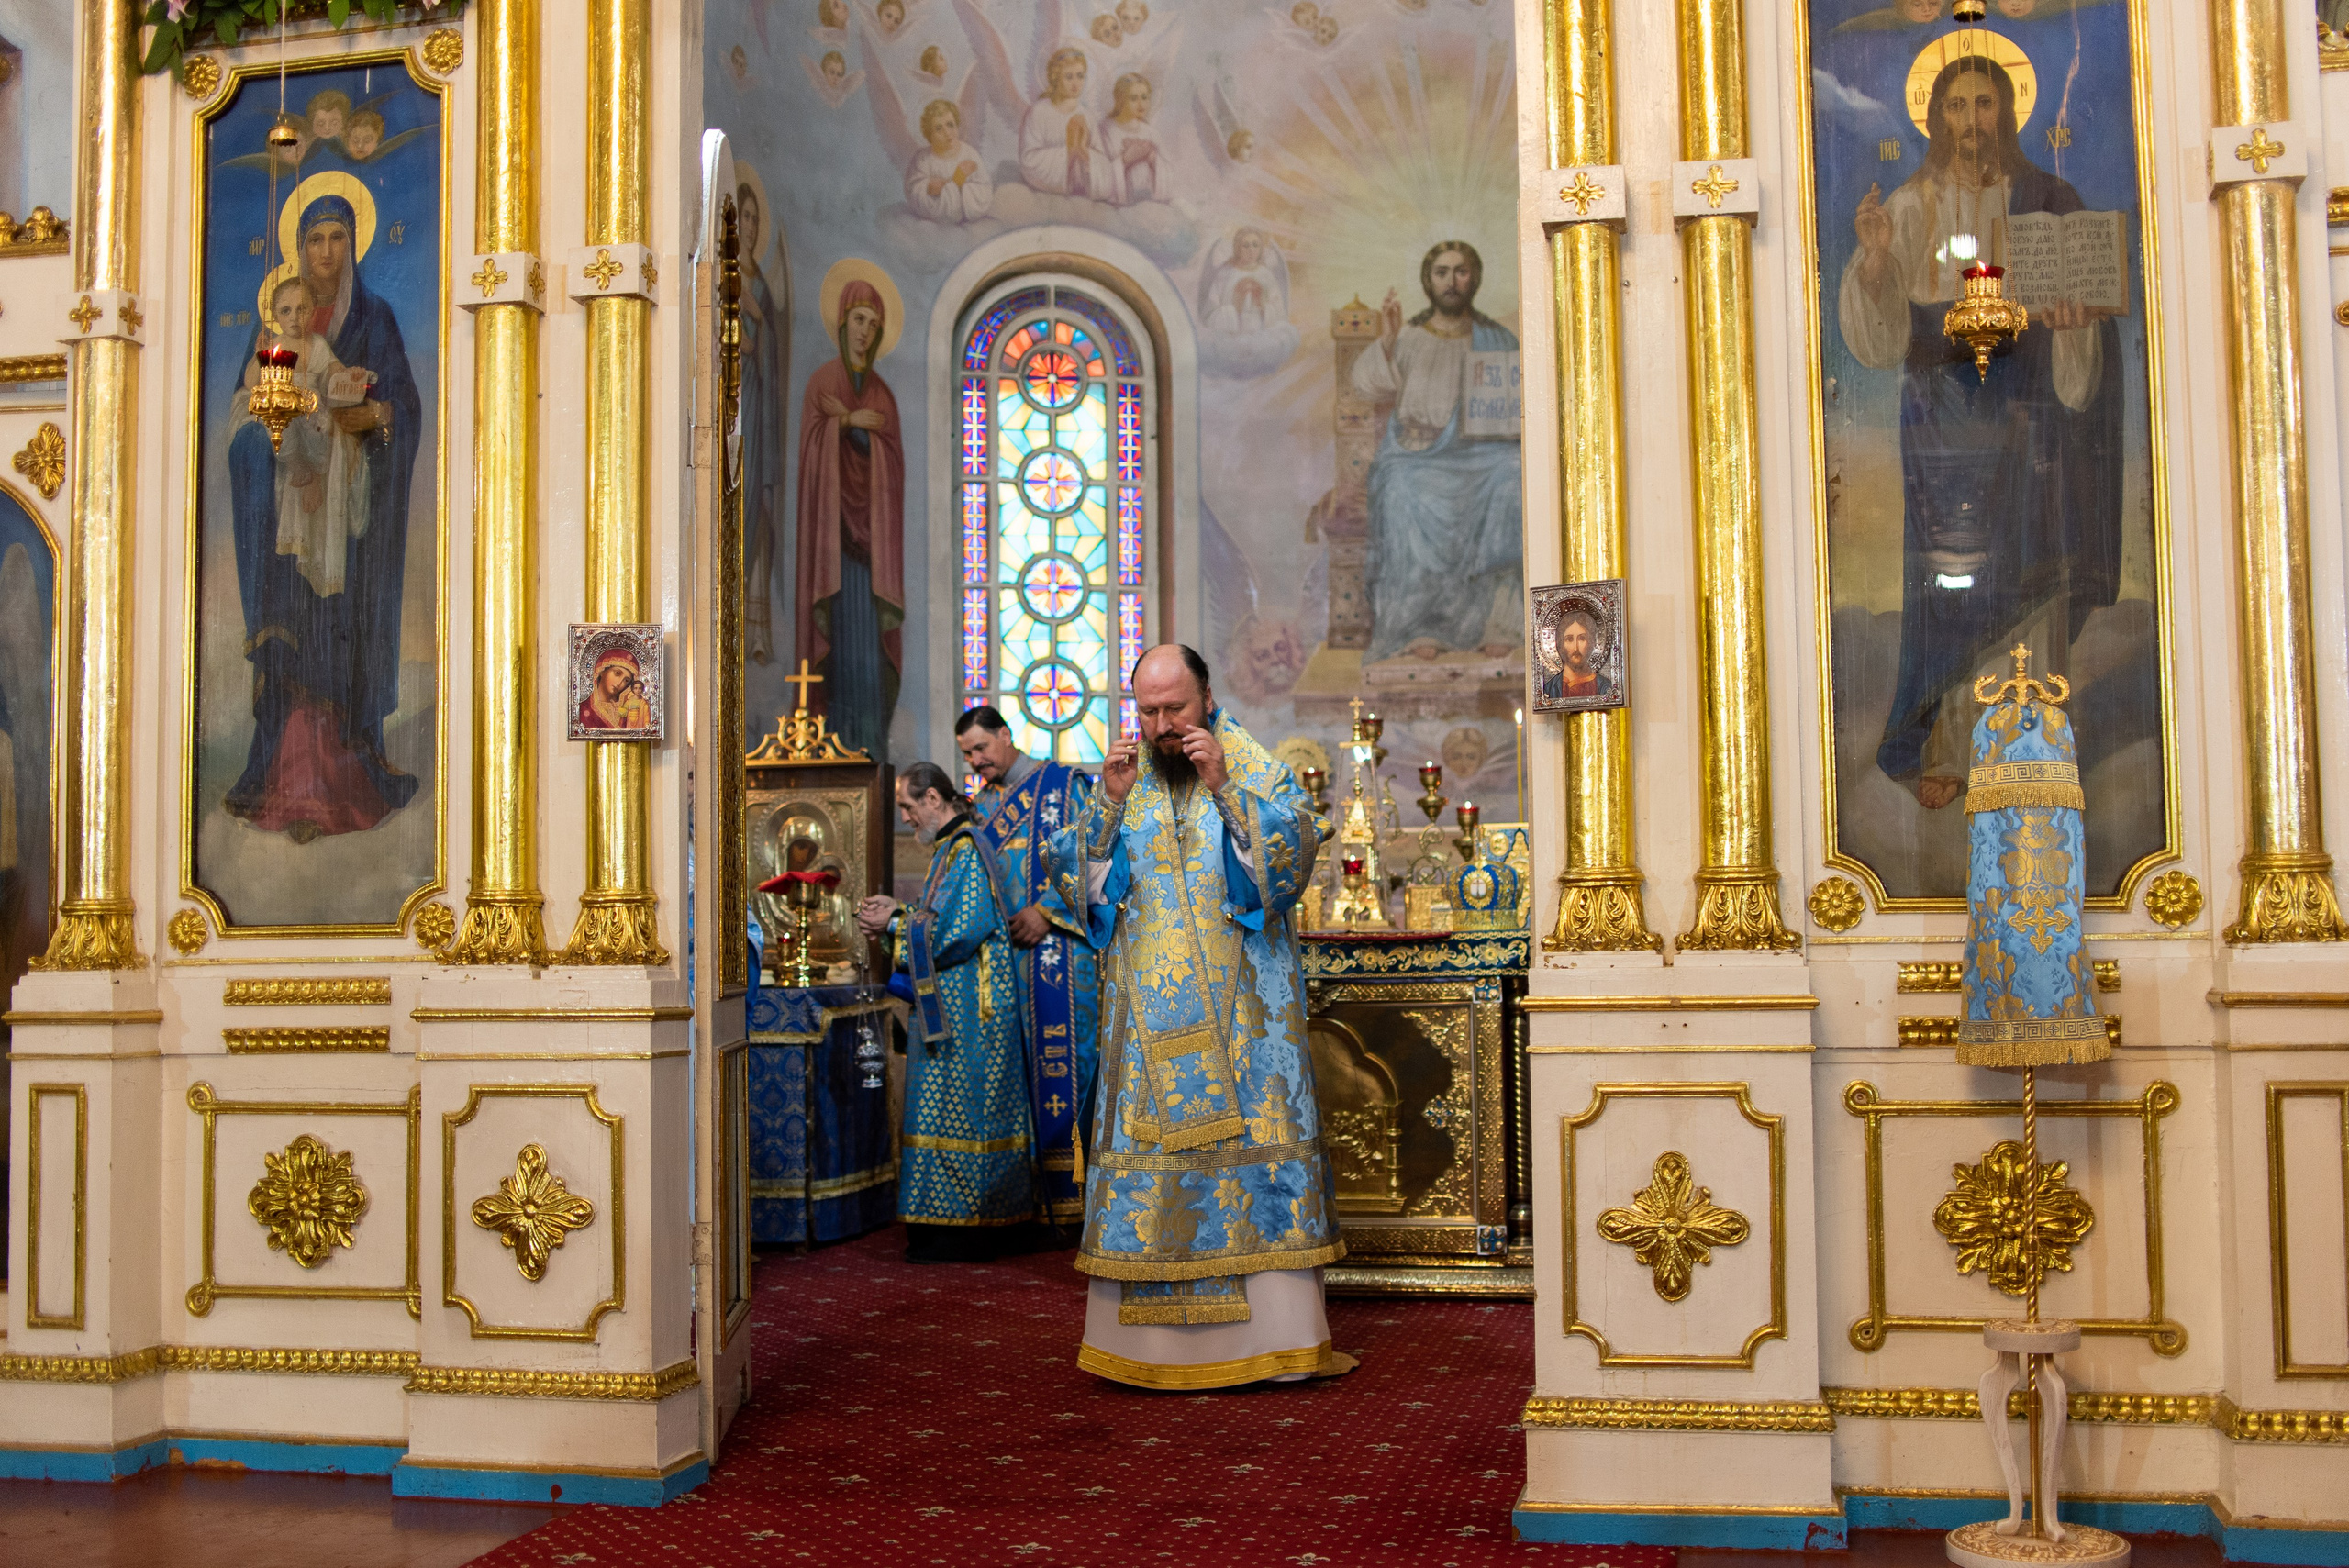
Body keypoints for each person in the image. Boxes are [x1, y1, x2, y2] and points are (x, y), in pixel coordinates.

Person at [1047, 645, 1353, 1388]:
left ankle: (1274, 1344)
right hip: (1147, 1034)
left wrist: (1224, 787)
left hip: (1245, 1030)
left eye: (1173, 709)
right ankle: (1148, 1351)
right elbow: (1075, 886)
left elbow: (1289, 862)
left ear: (1207, 698)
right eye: (1146, 711)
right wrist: (1109, 805)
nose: (1159, 726)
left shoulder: (1257, 768)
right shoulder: (1123, 781)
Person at [1837, 55, 2120, 809]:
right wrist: (1872, 265)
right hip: (1942, 423)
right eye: (1957, 106)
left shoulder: (2047, 200)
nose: (1971, 123)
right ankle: (1947, 743)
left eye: (1985, 105)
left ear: (2010, 113)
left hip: (2028, 416)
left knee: (2032, 562)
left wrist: (2072, 327)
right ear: (1935, 116)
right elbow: (1878, 339)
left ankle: (2035, 737)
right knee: (1953, 584)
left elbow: (2083, 328)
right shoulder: (1908, 205)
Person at [225, 190, 423, 842]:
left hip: (350, 521)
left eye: (337, 238)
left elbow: (400, 407)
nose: (327, 252)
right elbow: (247, 412)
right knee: (293, 642)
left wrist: (376, 417)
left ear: (353, 245)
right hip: (288, 519)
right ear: (299, 249)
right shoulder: (274, 336)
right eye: (315, 240)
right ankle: (284, 782)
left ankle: (344, 776)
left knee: (341, 635)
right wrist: (283, 450)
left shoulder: (375, 318)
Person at [857, 762, 1038, 1262]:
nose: (908, 818)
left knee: (968, 1112)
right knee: (942, 1108)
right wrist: (896, 917)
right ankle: (940, 1223)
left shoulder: (966, 849)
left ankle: (973, 1225)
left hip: (975, 1014)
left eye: (910, 807)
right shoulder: (951, 848)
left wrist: (895, 919)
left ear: (934, 799)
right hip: (954, 1008)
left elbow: (958, 931)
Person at [957, 706, 1099, 1228]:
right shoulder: (982, 808)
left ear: (1006, 735)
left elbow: (1095, 851)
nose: (976, 761)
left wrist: (1046, 911)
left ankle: (1078, 1203)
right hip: (1001, 964)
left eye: (981, 748)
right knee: (1013, 1075)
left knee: (1068, 1070)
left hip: (1060, 955)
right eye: (967, 755)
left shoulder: (1064, 784)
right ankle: (1031, 1203)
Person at [1351, 240, 1523, 662]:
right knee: (1398, 488)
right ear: (1429, 281)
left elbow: (1516, 400)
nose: (1452, 280)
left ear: (1475, 278)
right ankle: (1418, 624)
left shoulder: (1496, 338)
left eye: (1461, 271)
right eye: (1442, 272)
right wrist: (1388, 340)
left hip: (1482, 457)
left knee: (1515, 474)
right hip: (1417, 454)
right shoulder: (1409, 335)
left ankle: (1501, 621)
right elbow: (1367, 385)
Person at [794, 278, 905, 762]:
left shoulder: (881, 395)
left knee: (869, 660)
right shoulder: (823, 384)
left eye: (874, 325)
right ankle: (831, 744)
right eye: (860, 319)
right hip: (833, 547)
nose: (865, 332)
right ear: (843, 321)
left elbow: (892, 470)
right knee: (838, 650)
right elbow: (812, 453)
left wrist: (863, 430)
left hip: (870, 555)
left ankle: (869, 746)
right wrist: (842, 424)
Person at [735, 182, 785, 662]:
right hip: (733, 406)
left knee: (755, 509)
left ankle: (752, 626)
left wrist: (756, 326)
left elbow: (770, 349)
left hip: (757, 408)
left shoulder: (761, 289)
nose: (749, 227)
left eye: (754, 219)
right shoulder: (724, 277)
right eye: (742, 218)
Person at [1019, 48, 1116, 199]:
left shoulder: (1087, 116)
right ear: (1056, 78)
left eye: (1080, 76)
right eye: (1069, 77)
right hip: (1049, 186)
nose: (1076, 83)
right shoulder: (1038, 111)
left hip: (1082, 184)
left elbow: (1103, 164)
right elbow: (1028, 160)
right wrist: (1070, 152)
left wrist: (1083, 152)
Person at [903, 99, 993, 223]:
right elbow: (913, 190)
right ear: (930, 135)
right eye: (939, 128)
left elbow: (985, 189)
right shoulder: (923, 159)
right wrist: (929, 188)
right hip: (934, 225)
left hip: (969, 223)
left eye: (950, 125)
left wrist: (963, 187)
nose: (947, 132)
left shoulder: (969, 154)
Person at [1100, 74, 1163, 206]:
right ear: (1121, 100)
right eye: (1134, 98)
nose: (1141, 104)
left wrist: (1154, 160)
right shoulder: (1106, 130)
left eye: (1145, 97)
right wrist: (1124, 160)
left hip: (1149, 202)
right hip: (1117, 205)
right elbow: (1100, 174)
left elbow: (1169, 176)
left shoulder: (1151, 133)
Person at [1536, 605, 1611, 703]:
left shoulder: (1605, 688)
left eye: (1582, 638)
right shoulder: (1549, 690)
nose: (1576, 648)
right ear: (1560, 644)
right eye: (1569, 639)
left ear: (1592, 642)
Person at [575, 647, 652, 731]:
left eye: (626, 680)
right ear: (602, 670)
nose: (619, 683)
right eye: (617, 673)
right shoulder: (583, 708)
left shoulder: (628, 706)